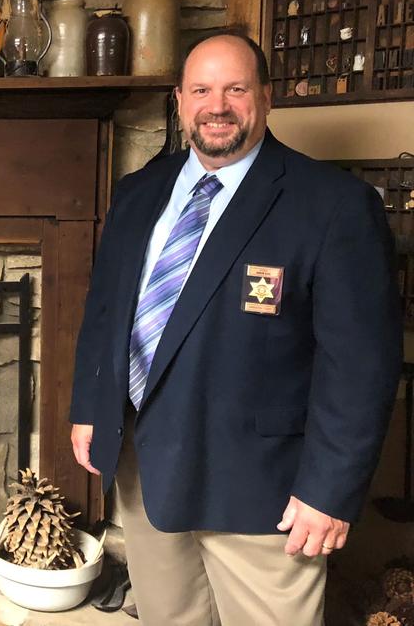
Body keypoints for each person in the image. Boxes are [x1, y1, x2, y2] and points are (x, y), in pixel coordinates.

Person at [69, 30, 402, 625]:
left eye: (235, 89)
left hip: (264, 494)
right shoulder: (140, 192)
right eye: (201, 89)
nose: (216, 106)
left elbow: (359, 367)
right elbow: (106, 310)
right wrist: (91, 406)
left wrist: (328, 493)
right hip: (146, 475)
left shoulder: (333, 205)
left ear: (267, 99)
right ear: (179, 100)